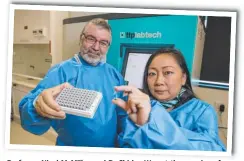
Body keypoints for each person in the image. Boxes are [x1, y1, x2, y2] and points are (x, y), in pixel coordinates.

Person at [19, 18, 126, 147]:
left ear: (108, 46)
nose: (96, 47)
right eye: (91, 39)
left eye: (103, 42)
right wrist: (37, 105)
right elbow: (28, 115)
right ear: (81, 39)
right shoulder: (61, 72)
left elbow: (122, 116)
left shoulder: (114, 75)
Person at [112, 48, 226, 151]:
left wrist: (151, 121)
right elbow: (126, 146)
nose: (158, 81)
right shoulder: (140, 107)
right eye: (152, 74)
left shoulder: (202, 111)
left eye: (168, 72)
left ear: (183, 78)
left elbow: (211, 150)